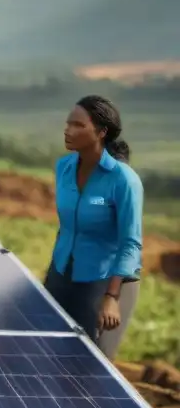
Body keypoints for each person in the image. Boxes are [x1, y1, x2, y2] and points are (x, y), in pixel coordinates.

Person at [44, 95, 142, 360]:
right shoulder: (64, 168)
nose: (68, 130)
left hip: (101, 284)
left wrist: (111, 297)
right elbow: (69, 226)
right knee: (47, 353)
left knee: (88, 367)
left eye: (78, 125)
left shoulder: (123, 180)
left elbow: (130, 243)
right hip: (60, 274)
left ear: (101, 132)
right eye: (67, 123)